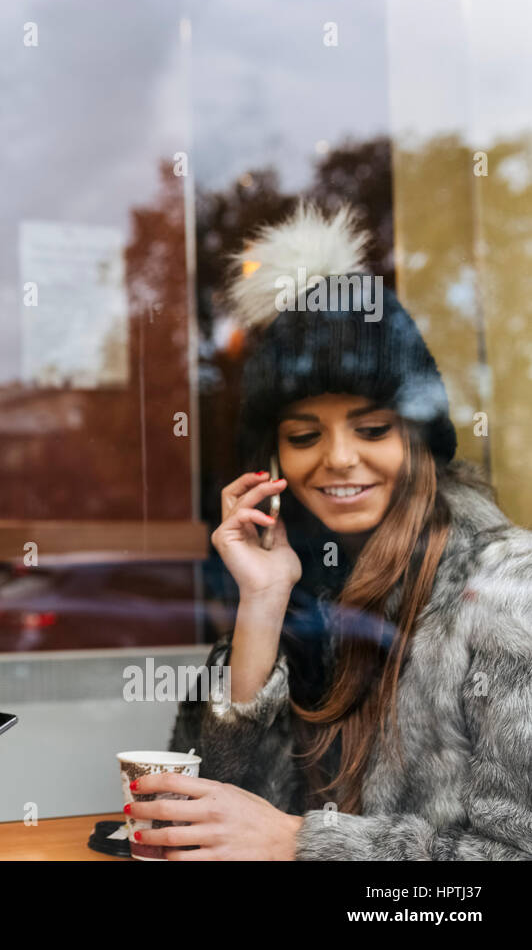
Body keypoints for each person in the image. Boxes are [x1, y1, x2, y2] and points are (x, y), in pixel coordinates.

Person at [144, 203, 532, 860]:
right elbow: (206, 813)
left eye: (373, 429)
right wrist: (262, 606)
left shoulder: (504, 589)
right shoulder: (303, 583)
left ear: (418, 441)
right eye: (303, 436)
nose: (340, 458)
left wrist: (303, 842)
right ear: (273, 463)